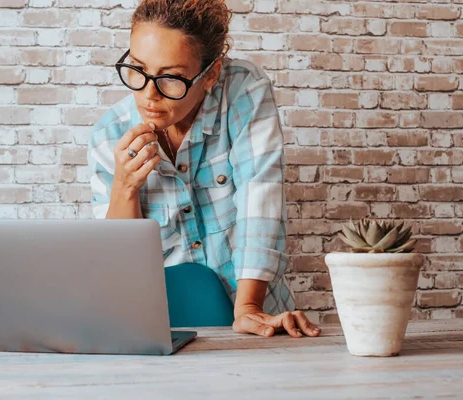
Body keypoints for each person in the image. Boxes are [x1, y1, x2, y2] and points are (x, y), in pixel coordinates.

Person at [88, 0, 321, 338]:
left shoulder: (244, 90)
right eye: (138, 69)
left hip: (258, 323)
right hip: (164, 331)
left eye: (172, 78)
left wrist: (248, 308)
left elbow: (261, 196)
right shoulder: (108, 134)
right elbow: (117, 268)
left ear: (210, 73)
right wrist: (125, 186)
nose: (149, 95)